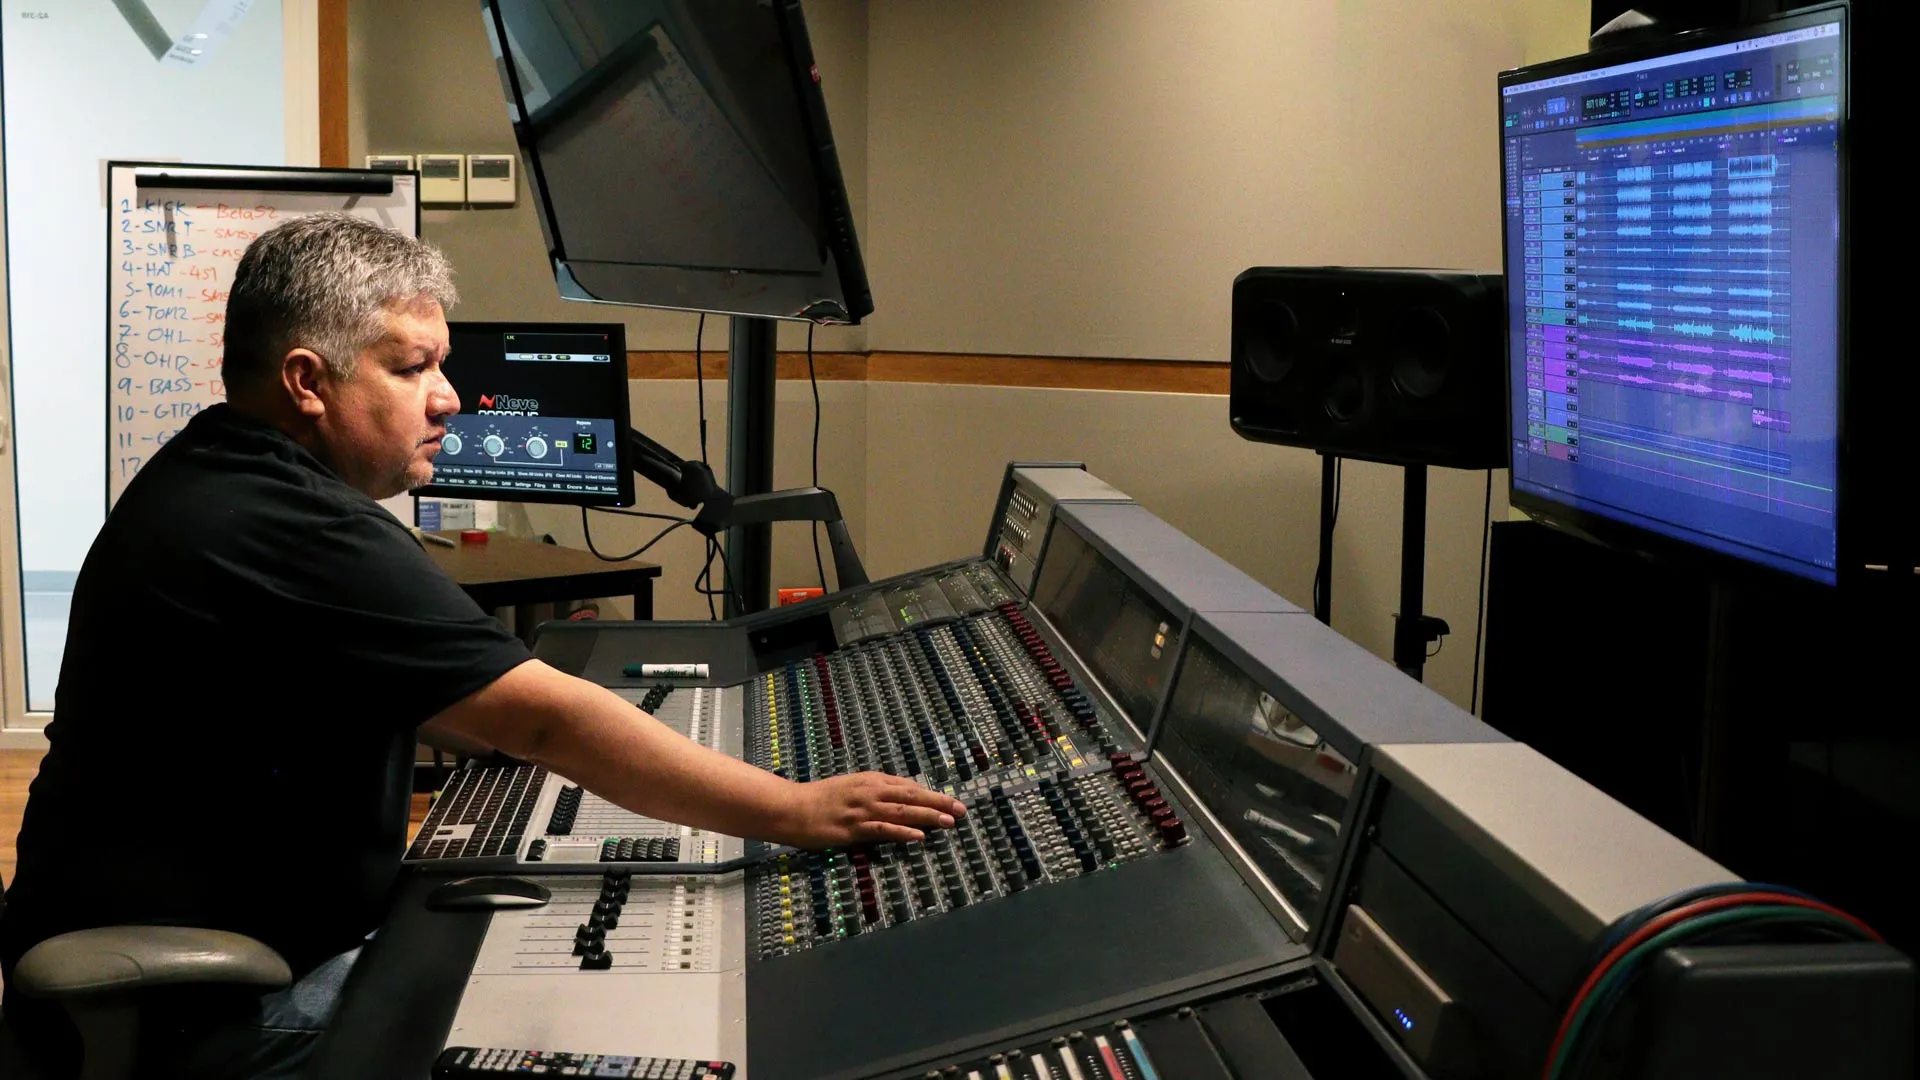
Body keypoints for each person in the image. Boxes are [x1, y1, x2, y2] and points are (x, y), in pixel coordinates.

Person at [0, 213, 964, 1078]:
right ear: (307, 381)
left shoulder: (217, 469)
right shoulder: (290, 526)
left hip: (235, 949)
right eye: (411, 367)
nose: (450, 398)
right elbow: (543, 722)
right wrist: (796, 809)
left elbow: (408, 698)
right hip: (211, 1016)